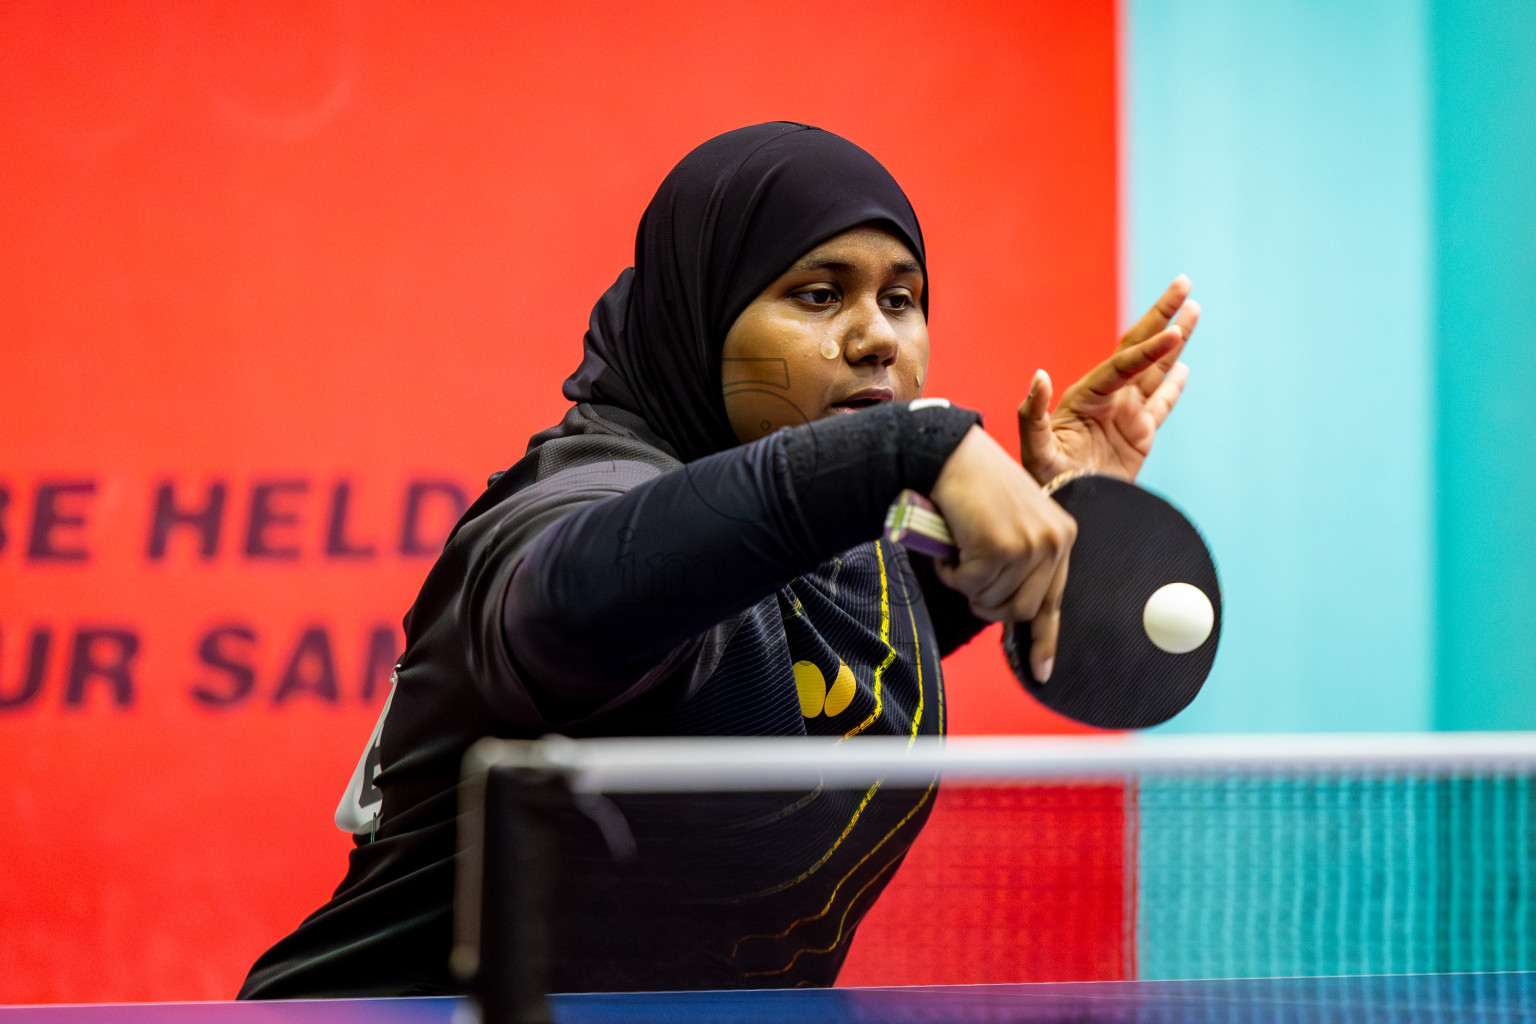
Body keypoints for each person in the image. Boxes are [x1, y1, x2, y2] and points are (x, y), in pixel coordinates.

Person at [238, 122, 1198, 999]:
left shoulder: (854, 541)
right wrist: (908, 447)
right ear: (700, 315)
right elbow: (579, 597)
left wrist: (1049, 516)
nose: (877, 338)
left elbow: (880, 627)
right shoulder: (572, 505)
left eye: (901, 300)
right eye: (818, 295)